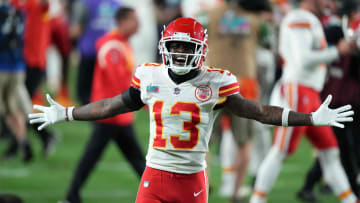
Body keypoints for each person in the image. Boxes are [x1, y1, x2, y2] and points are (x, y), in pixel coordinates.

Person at [29, 17, 354, 203]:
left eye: (187, 47)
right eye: (175, 46)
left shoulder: (215, 82)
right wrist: (67, 113)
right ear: (164, 48)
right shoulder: (149, 75)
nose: (180, 53)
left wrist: (309, 118)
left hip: (192, 181)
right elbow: (111, 105)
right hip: (154, 176)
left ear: (201, 49)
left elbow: (260, 112)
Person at [249, 0, 359, 202]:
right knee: (280, 150)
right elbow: (303, 58)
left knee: (330, 151)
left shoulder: (310, 19)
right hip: (298, 90)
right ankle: (256, 200)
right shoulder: (300, 18)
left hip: (310, 93)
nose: (331, 2)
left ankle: (350, 199)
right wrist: (338, 51)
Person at [63, 7, 146, 203]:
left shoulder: (121, 43)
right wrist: (141, 100)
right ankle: (71, 196)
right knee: (94, 158)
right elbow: (117, 83)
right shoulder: (113, 46)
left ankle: (72, 196)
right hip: (110, 114)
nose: (138, 24)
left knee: (135, 160)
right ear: (123, 21)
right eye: (134, 20)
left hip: (120, 115)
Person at [205, 0, 271, 200]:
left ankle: (203, 186)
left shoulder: (207, 15)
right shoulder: (256, 20)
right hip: (243, 83)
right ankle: (236, 193)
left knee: (203, 142)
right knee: (244, 143)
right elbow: (267, 41)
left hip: (211, 82)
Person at [298, 0, 360, 201]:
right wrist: (338, 48)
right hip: (334, 98)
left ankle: (313, 186)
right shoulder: (333, 32)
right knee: (340, 147)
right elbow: (313, 56)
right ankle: (349, 190)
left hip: (349, 97)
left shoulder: (342, 32)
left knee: (339, 148)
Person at [70, 0, 122, 105]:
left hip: (89, 49)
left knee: (85, 90)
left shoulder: (84, 3)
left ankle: (87, 107)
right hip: (111, 52)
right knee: (107, 85)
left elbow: (76, 30)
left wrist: (73, 46)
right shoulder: (116, 4)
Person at [0, 0, 32, 162]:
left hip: (2, 66)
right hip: (18, 66)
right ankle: (23, 141)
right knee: (14, 107)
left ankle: (21, 140)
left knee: (6, 110)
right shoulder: (20, 12)